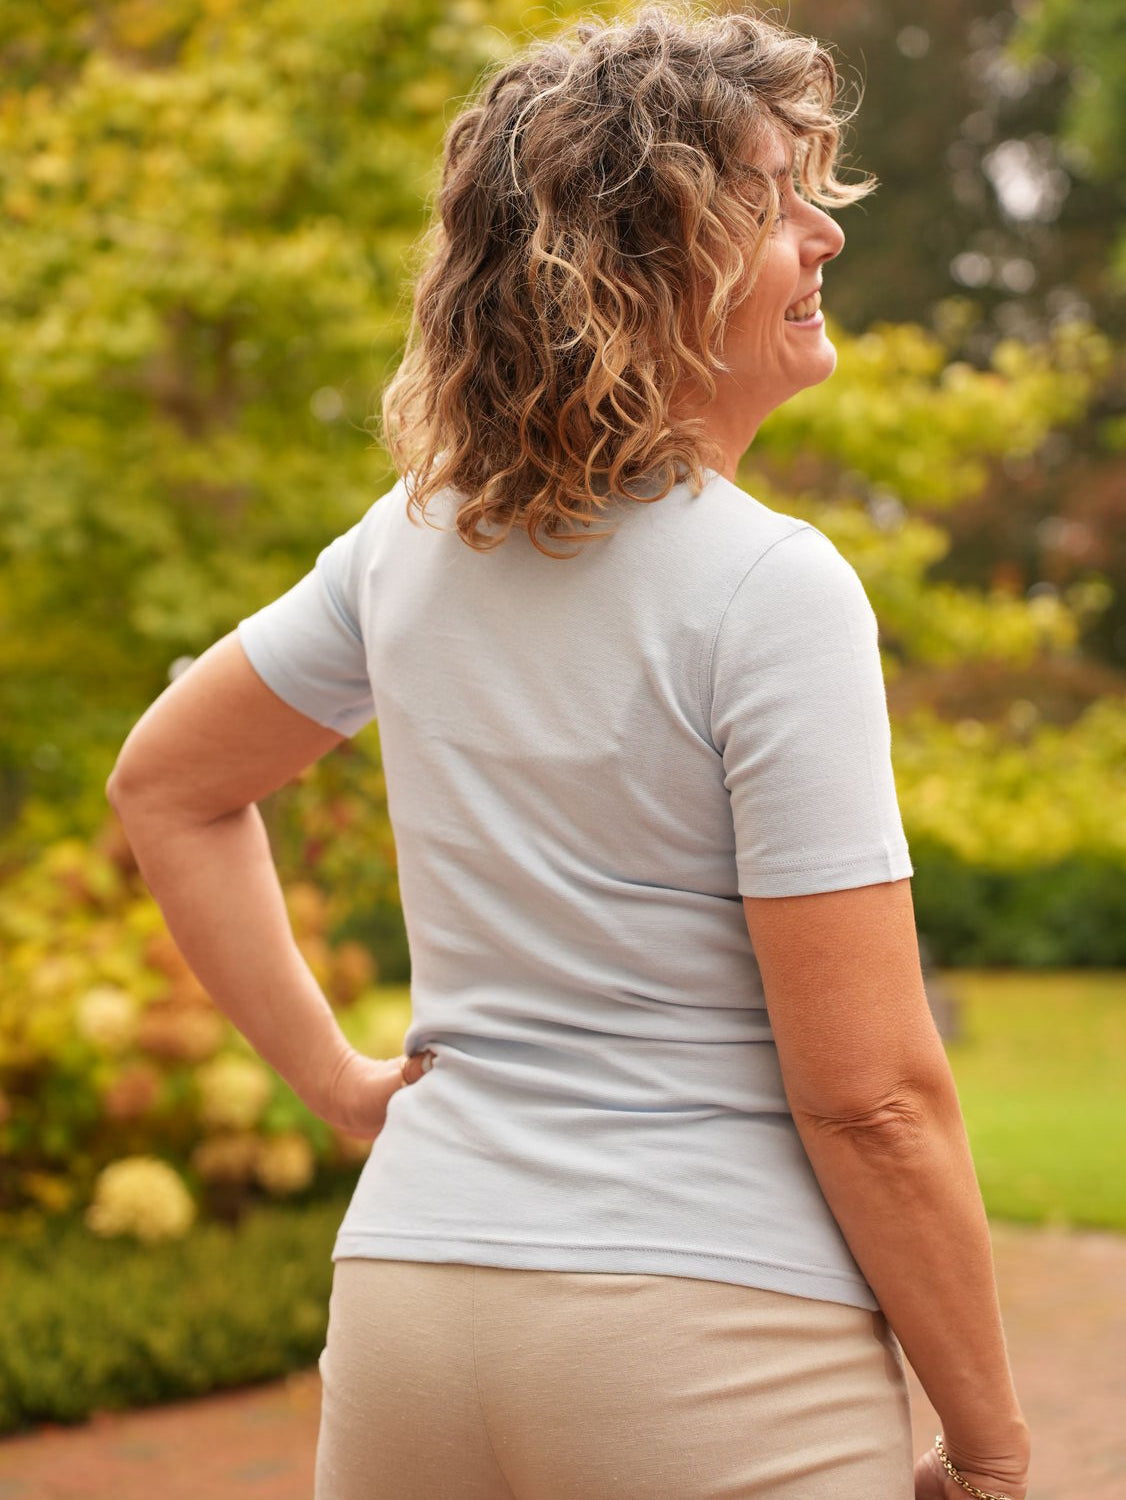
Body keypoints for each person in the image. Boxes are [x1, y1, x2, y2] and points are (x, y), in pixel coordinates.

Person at [106, 4, 1032, 1497]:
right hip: (709, 1341)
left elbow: (169, 784)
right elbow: (870, 1097)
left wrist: (344, 1087)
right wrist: (987, 1446)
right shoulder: (770, 588)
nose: (823, 236)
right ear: (641, 273)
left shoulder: (404, 551)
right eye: (768, 201)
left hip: (413, 1302)